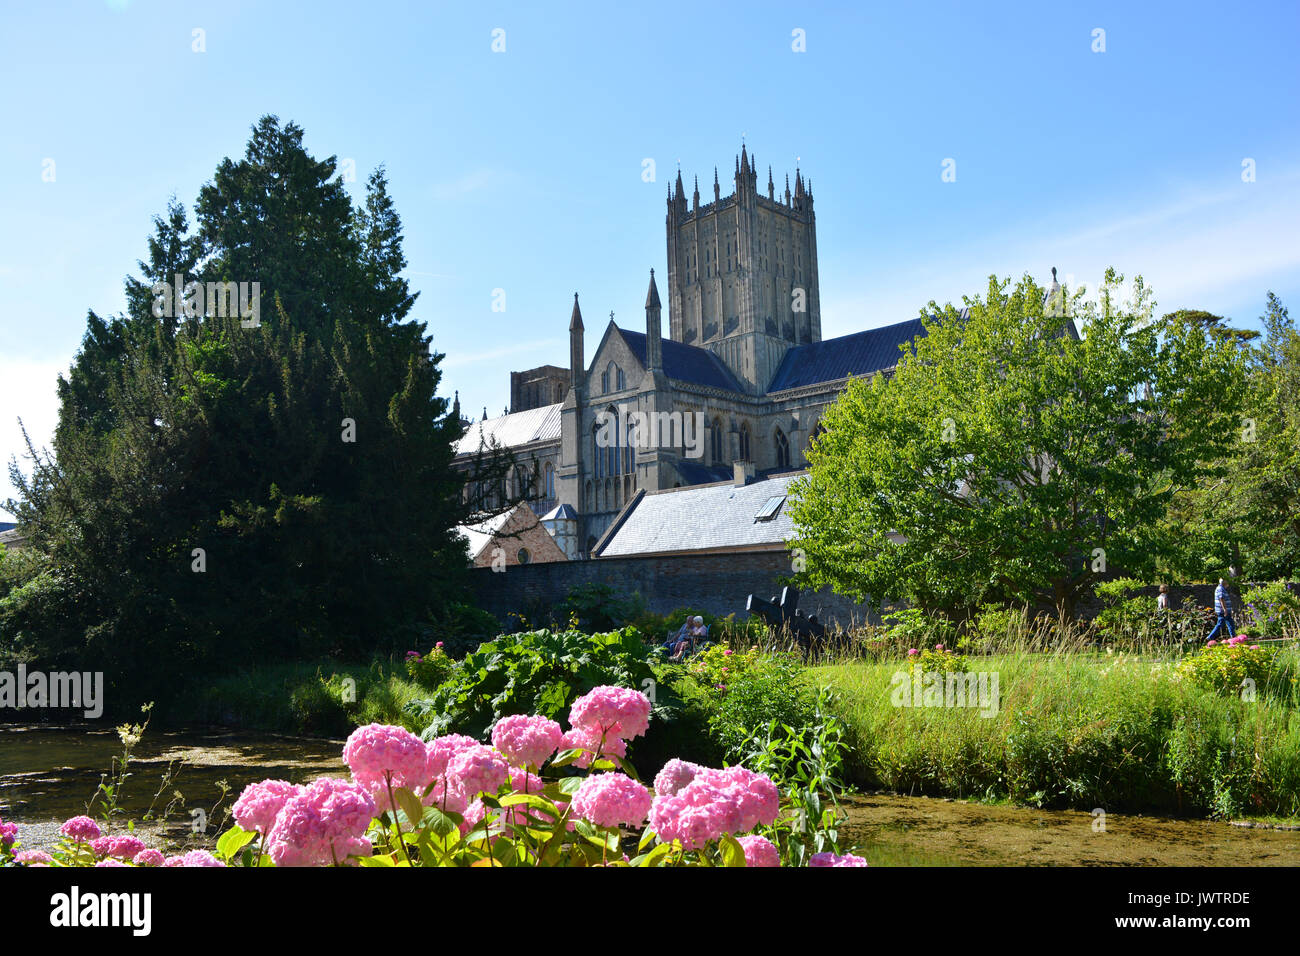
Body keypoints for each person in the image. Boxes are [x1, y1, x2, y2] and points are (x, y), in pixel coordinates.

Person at [1206, 578, 1236, 642]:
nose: (1228, 582)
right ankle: (1210, 637)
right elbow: (1221, 599)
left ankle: (1234, 638)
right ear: (1224, 581)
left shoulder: (1222, 588)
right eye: (1227, 580)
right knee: (1221, 623)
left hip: (1225, 610)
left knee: (1230, 623)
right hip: (1222, 611)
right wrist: (1225, 609)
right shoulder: (1220, 589)